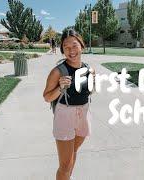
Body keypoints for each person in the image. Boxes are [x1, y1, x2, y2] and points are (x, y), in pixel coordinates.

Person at [43, 29, 94, 180]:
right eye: (66, 47)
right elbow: (46, 97)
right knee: (65, 165)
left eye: (74, 45)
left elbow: (88, 92)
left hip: (83, 114)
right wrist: (60, 88)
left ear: (82, 46)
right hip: (65, 116)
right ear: (62, 50)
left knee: (73, 152)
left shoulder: (89, 69)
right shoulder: (58, 72)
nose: (71, 50)